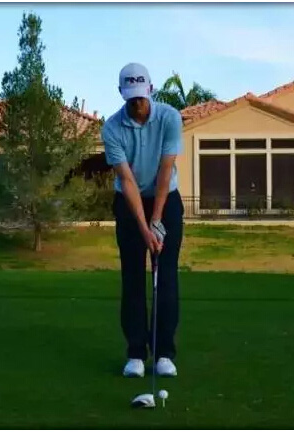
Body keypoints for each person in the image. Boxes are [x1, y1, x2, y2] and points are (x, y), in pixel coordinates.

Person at [101, 63, 184, 378]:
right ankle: (136, 353)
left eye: (141, 96)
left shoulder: (170, 118)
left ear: (150, 89)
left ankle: (163, 354)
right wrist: (143, 226)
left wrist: (157, 220)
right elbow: (127, 180)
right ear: (121, 93)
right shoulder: (111, 128)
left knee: (166, 276)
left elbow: (166, 170)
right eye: (131, 97)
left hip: (166, 199)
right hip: (129, 202)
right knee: (133, 277)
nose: (138, 103)